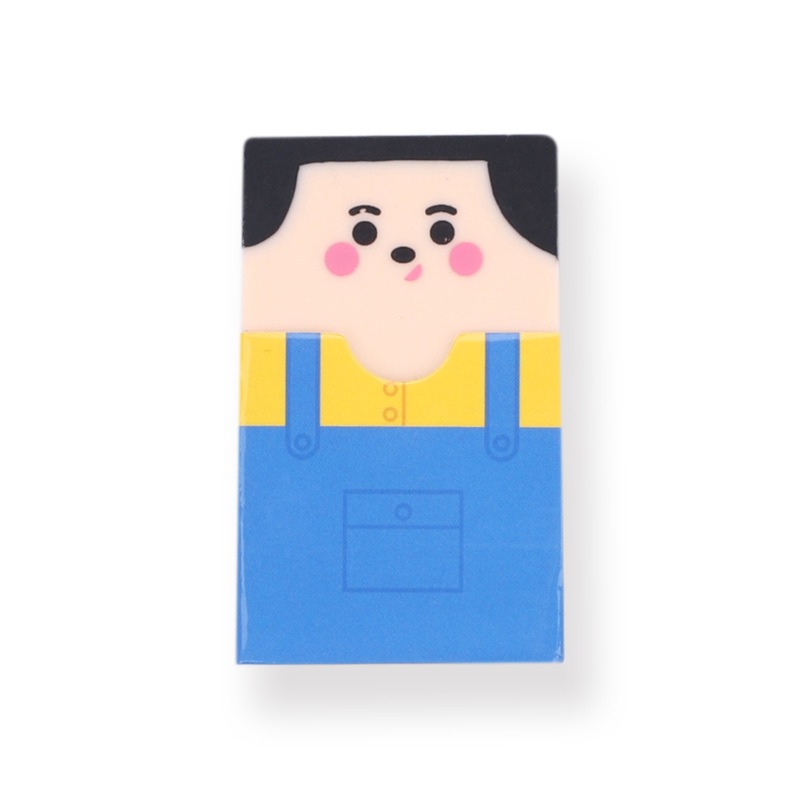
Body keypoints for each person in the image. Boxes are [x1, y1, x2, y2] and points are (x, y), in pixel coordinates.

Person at [238, 137, 563, 663]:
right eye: (363, 232)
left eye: (443, 232)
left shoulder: (512, 364)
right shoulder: (291, 363)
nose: (403, 252)